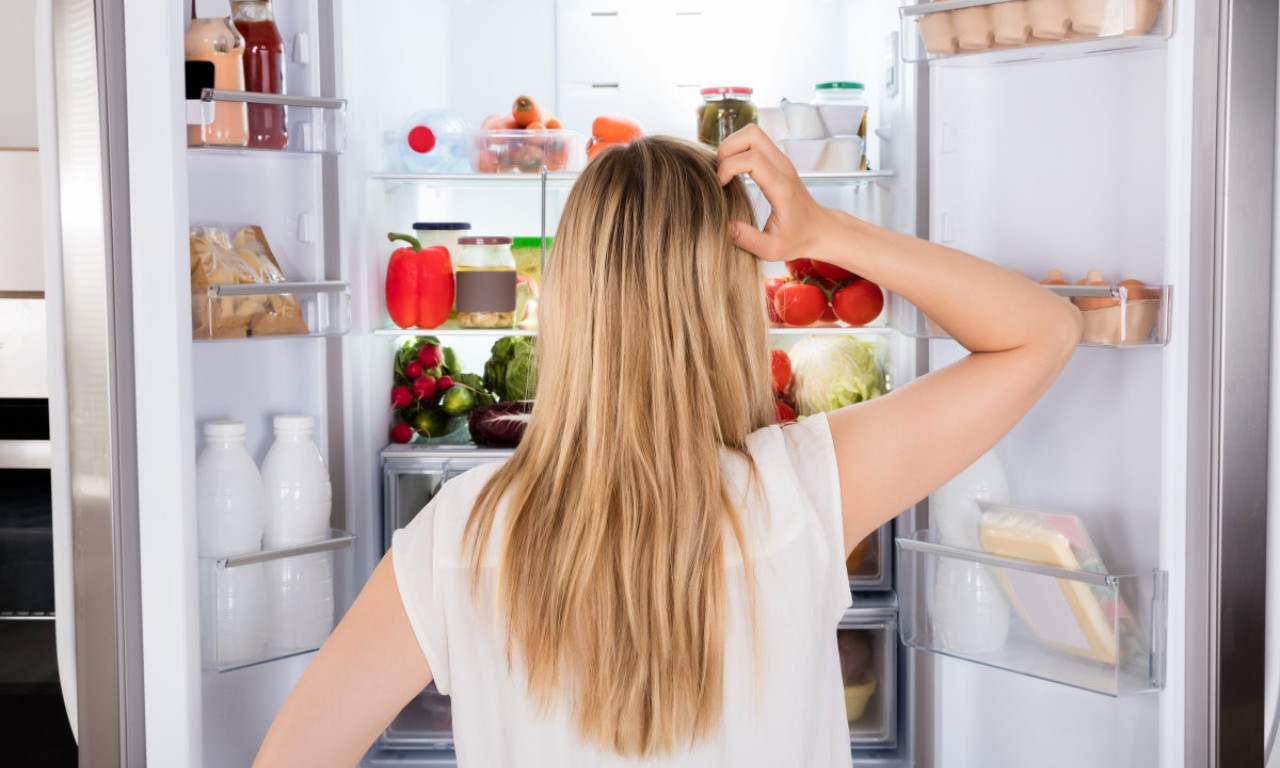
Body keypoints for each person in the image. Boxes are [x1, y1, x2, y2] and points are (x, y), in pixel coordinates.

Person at [253, 127, 1081, 767]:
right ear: (730, 304)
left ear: (570, 301)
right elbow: (1042, 332)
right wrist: (827, 232)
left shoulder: (456, 535)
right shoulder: (801, 489)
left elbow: (291, 756)